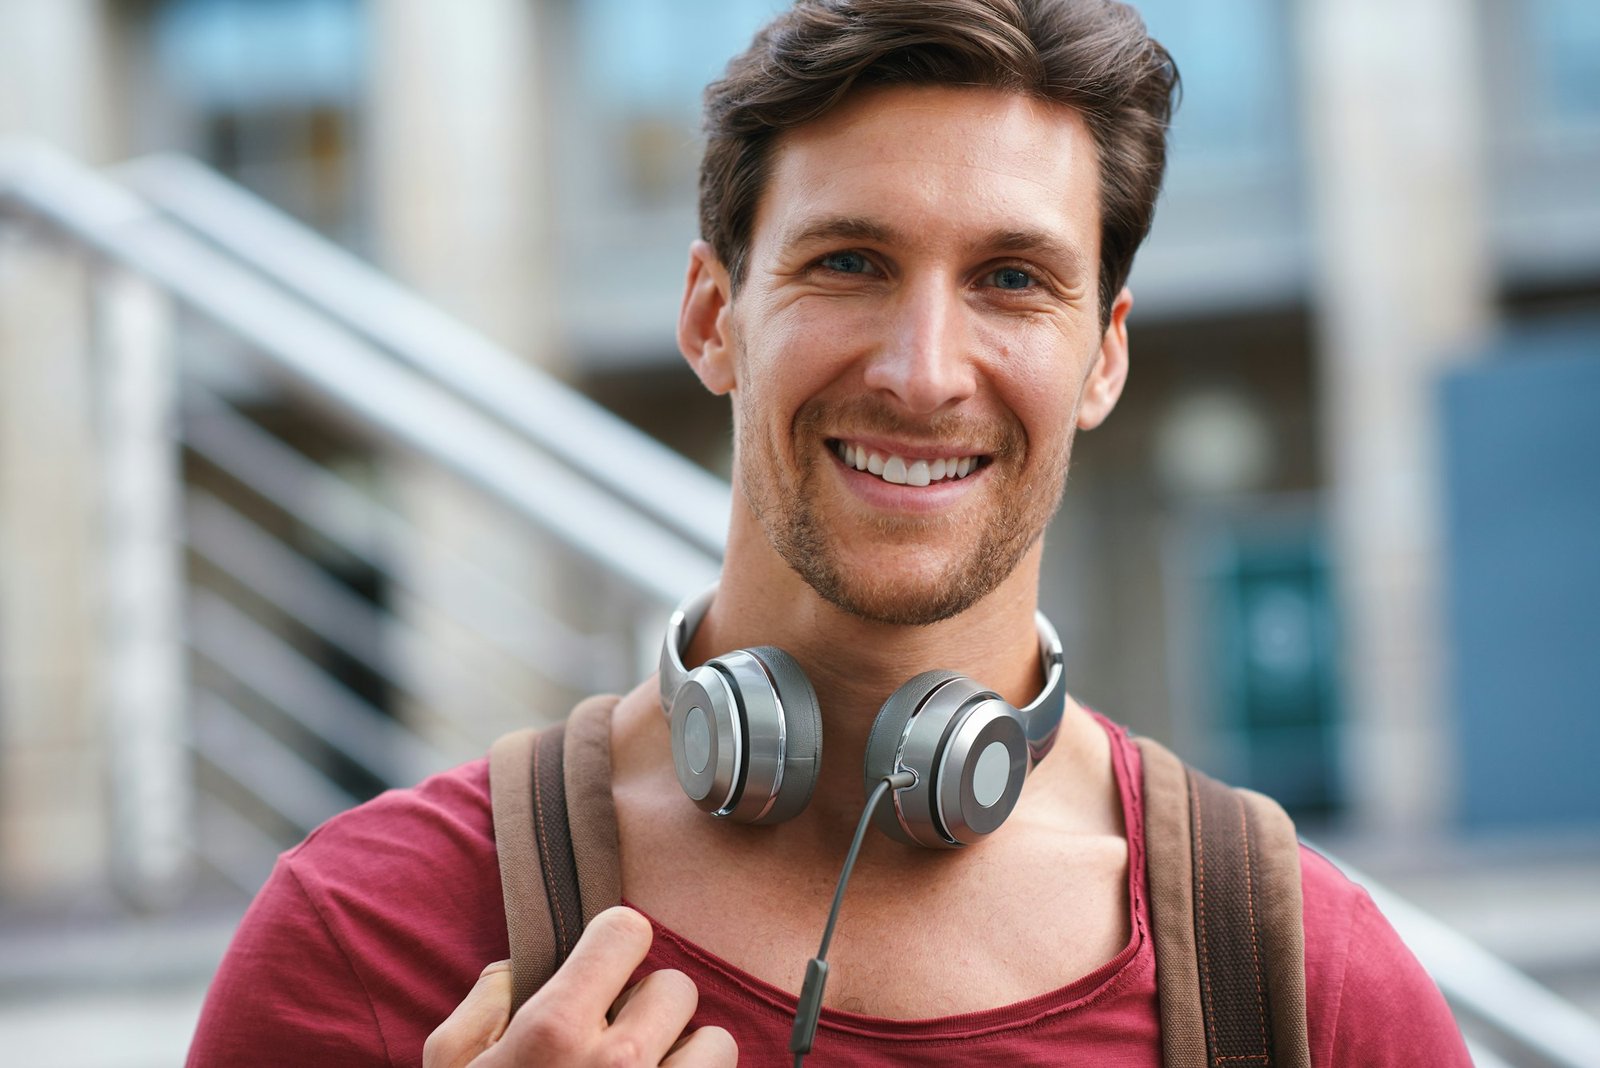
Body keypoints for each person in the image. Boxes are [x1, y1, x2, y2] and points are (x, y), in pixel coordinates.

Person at [188, 1, 1473, 1065]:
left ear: (1102, 359)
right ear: (711, 317)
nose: (922, 374)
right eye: (848, 263)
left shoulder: (1304, 980)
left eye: (1012, 280)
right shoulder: (366, 935)